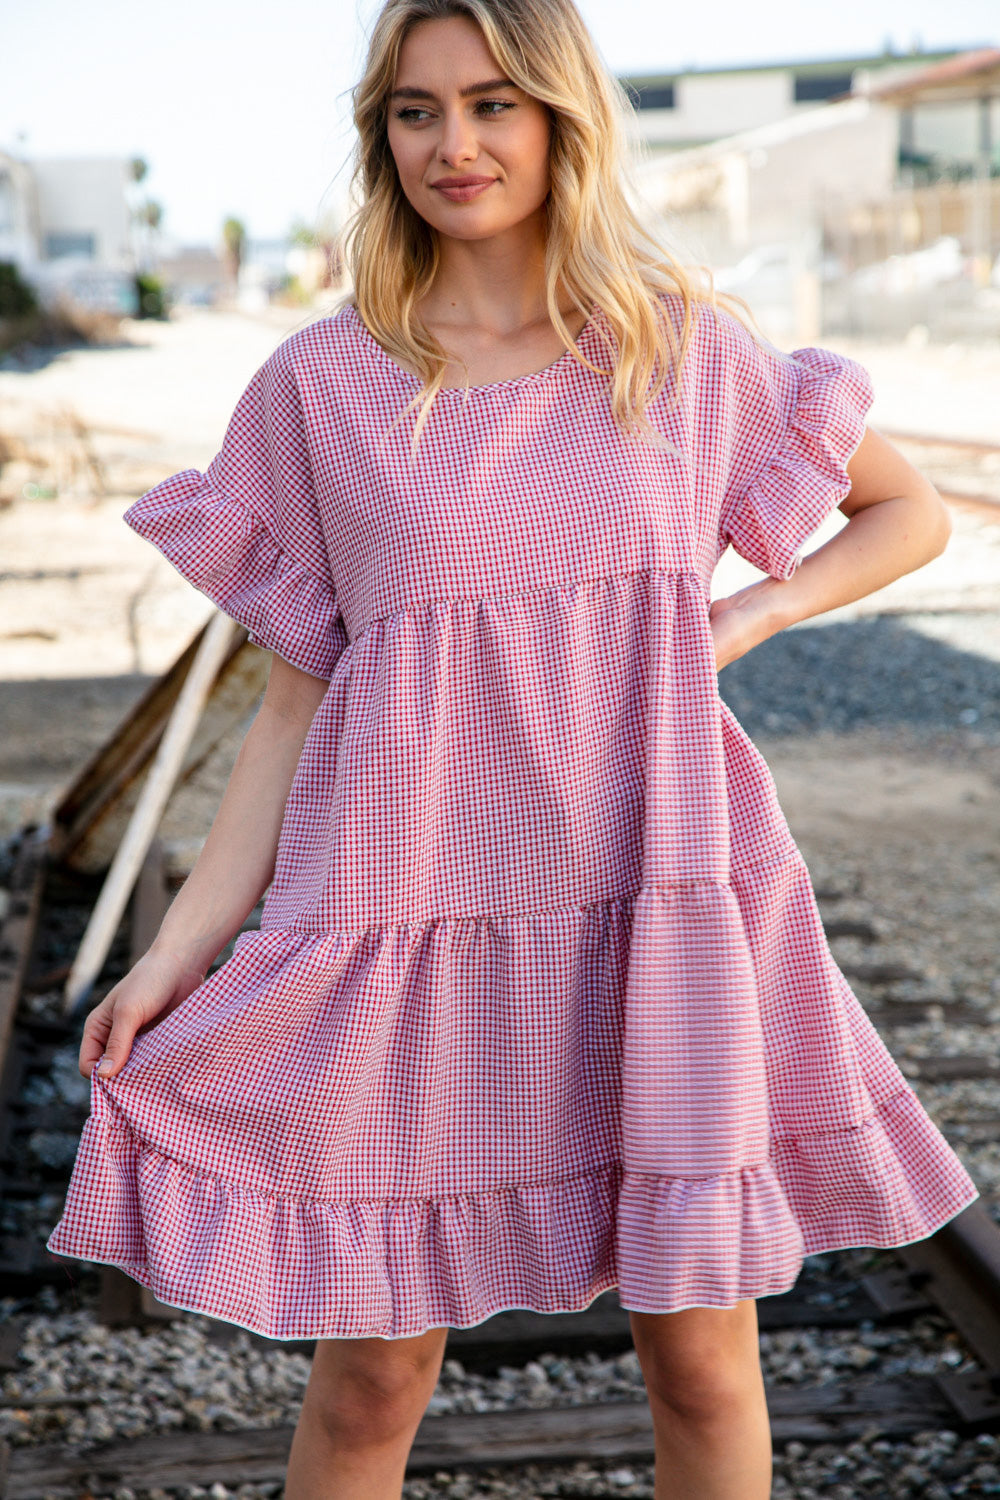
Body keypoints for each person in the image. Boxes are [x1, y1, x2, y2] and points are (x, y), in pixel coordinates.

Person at [47, 2, 979, 1496]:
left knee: (701, 1358)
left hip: (657, 897)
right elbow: (293, 705)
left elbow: (906, 511)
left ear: (560, 120)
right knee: (373, 1378)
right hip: (405, 913)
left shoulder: (673, 345)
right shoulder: (324, 385)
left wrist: (750, 617)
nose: (453, 145)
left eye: (491, 105)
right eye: (415, 113)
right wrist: (175, 961)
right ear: (382, 139)